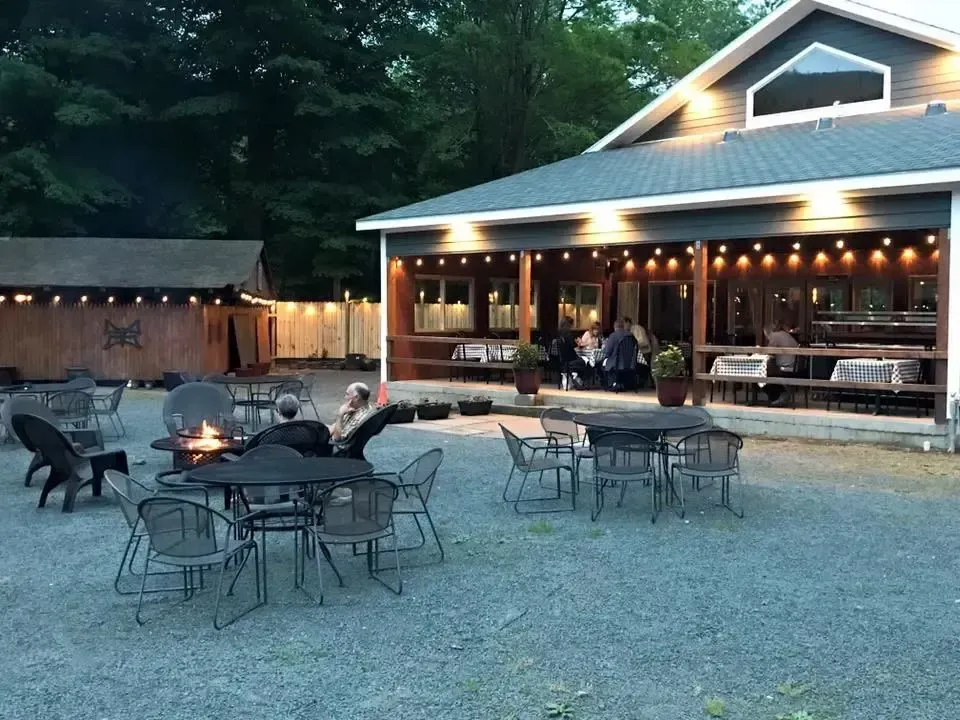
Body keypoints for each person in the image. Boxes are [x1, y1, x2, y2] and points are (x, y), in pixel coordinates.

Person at [329, 382, 376, 450]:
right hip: (341, 435)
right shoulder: (367, 407)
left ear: (356, 397)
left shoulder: (359, 417)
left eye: (347, 394)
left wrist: (340, 415)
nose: (345, 397)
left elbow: (337, 439)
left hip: (338, 447)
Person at [763, 322, 799, 407]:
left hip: (786, 366)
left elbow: (769, 352)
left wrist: (759, 350)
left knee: (764, 374)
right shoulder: (785, 334)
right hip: (794, 364)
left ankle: (777, 397)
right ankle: (782, 395)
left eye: (766, 336)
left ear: (768, 332)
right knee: (769, 369)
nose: (767, 338)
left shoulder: (775, 336)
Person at [601, 318, 639, 389]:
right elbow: (636, 345)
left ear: (615, 327)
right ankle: (623, 383)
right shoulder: (631, 335)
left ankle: (612, 384)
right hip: (630, 363)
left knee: (601, 364)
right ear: (623, 326)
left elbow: (607, 351)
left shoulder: (613, 336)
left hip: (617, 362)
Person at [557, 317, 587, 390]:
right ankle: (575, 374)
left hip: (561, 360)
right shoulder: (569, 334)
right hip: (570, 359)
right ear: (569, 324)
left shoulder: (559, 334)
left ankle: (573, 373)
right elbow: (574, 346)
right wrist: (580, 344)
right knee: (585, 361)